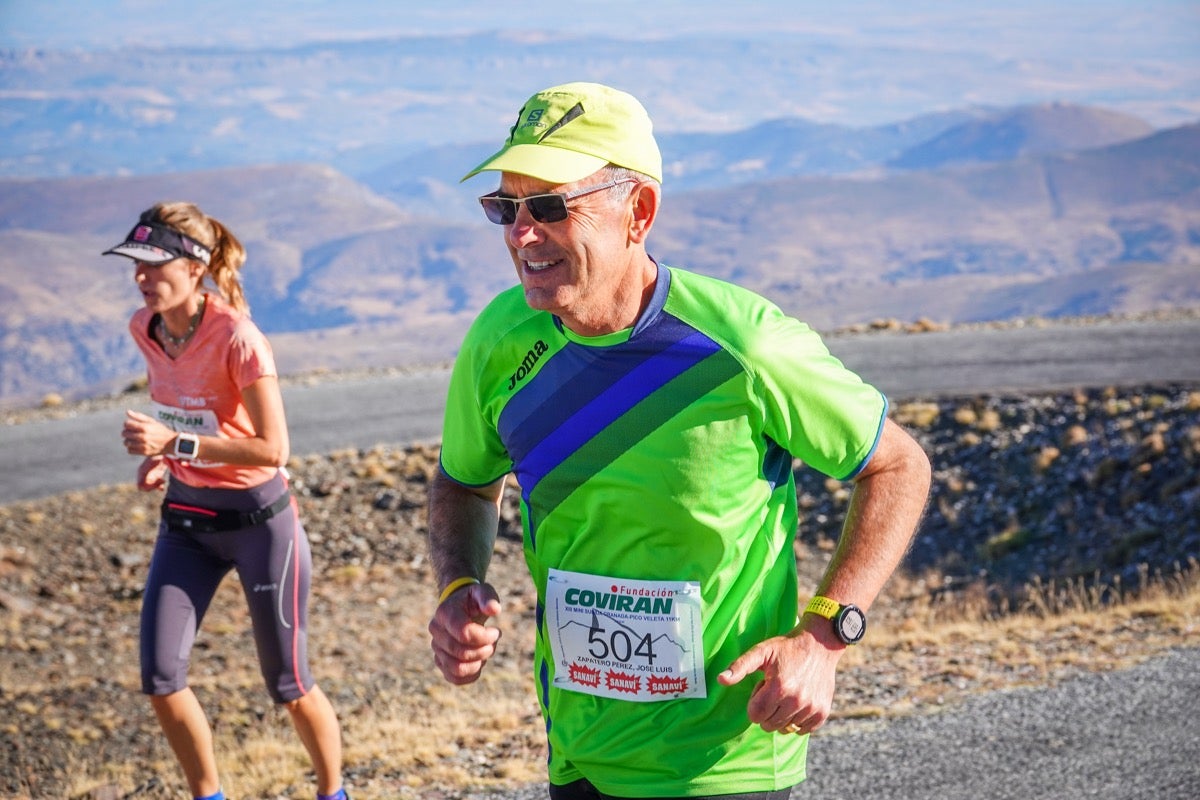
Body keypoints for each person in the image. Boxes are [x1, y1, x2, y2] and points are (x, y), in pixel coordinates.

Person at [425, 81, 932, 799]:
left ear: (638, 212)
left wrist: (824, 636)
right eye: (505, 208)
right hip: (579, 754)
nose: (520, 233)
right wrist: (457, 585)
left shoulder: (744, 346)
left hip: (726, 764)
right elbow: (465, 481)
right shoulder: (500, 341)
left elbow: (898, 465)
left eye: (548, 207)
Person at [103, 202, 349, 800]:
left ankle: (334, 793)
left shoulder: (239, 338)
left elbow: (273, 447)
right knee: (161, 679)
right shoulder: (146, 328)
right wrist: (165, 459)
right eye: (135, 265)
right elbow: (186, 408)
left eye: (155, 265)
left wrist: (176, 442)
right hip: (186, 522)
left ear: (196, 266)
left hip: (261, 525)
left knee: (288, 685)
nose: (142, 278)